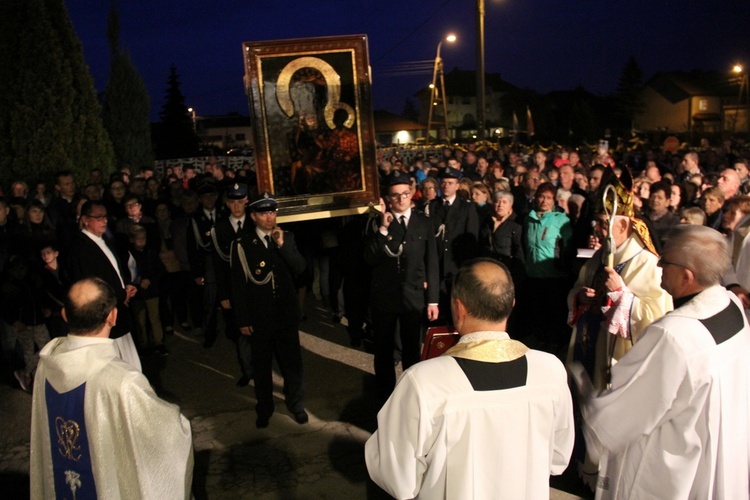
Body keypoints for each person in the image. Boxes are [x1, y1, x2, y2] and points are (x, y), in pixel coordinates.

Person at [365, 258, 574, 499]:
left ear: (459, 308)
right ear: (512, 305)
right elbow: (558, 458)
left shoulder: (424, 382)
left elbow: (397, 477)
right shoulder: (550, 370)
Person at [570, 225, 750, 499]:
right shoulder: (730, 304)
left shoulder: (674, 333)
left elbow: (618, 416)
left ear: (687, 276)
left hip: (676, 465)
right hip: (727, 444)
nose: (659, 264)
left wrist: (583, 388)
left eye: (665, 261)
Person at [30, 278, 193, 499]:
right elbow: (165, 439)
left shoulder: (47, 364)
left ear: (65, 315)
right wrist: (174, 418)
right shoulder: (122, 381)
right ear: (112, 316)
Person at [229, 192, 308, 428]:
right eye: (263, 213)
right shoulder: (243, 245)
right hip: (260, 316)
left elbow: (302, 271)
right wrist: (242, 318)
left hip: (285, 315)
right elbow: (238, 285)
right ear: (253, 216)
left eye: (272, 211)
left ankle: (297, 405)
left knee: (292, 364)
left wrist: (283, 246)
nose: (269, 217)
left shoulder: (287, 238)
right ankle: (264, 408)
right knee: (262, 367)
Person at [364, 170, 439, 402]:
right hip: (385, 297)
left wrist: (433, 299)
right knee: (384, 352)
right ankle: (386, 398)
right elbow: (370, 258)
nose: (400, 199)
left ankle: (411, 396)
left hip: (413, 296)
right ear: (388, 198)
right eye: (395, 195)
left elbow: (432, 262)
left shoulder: (423, 223)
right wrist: (383, 230)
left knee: (411, 352)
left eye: (405, 193)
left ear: (411, 194)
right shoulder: (375, 224)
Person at [65, 201, 140, 371]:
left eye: (105, 216)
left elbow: (114, 270)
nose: (104, 221)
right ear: (85, 220)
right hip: (103, 315)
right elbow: (91, 284)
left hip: (118, 309)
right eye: (98, 217)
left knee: (129, 362)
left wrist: (126, 285)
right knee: (116, 366)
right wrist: (120, 296)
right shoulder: (81, 248)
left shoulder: (104, 239)